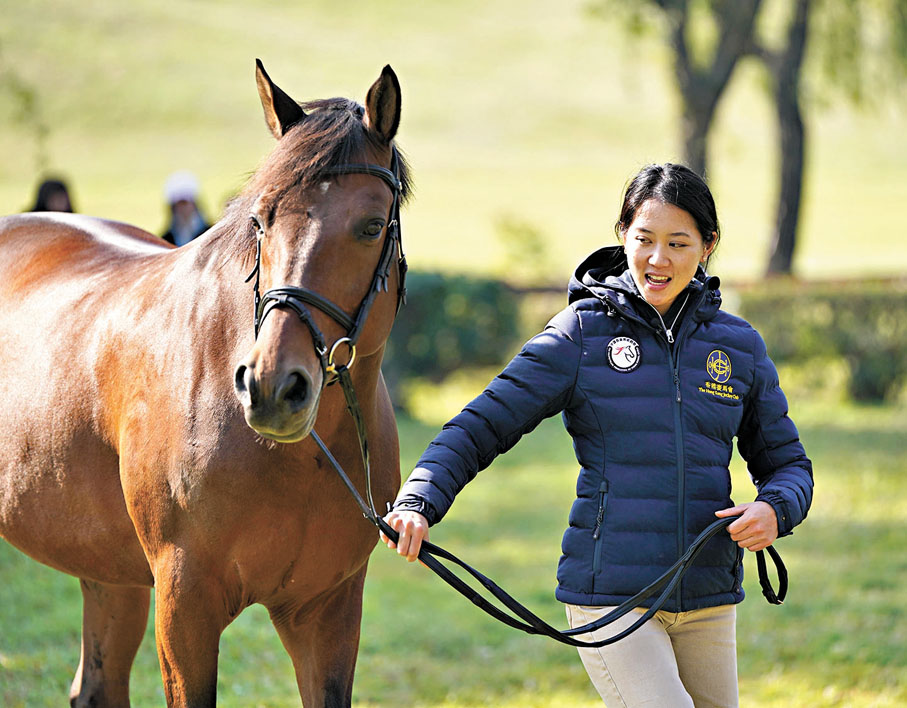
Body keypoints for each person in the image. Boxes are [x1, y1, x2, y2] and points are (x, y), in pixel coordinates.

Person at [381, 163, 813, 707]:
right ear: (623, 235)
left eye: (678, 243)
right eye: (644, 239)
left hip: (709, 595)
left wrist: (776, 508)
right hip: (611, 597)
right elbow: (480, 424)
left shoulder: (739, 346)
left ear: (708, 246)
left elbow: (789, 466)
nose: (658, 259)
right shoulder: (581, 335)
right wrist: (418, 499)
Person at [160, 170, 209, 246]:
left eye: (184, 203)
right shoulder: (164, 240)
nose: (181, 208)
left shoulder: (209, 234)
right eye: (177, 205)